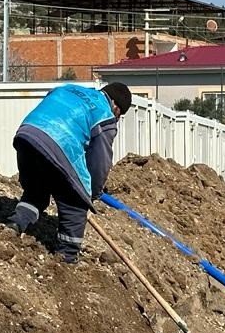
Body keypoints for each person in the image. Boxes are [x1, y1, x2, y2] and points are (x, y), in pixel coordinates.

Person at [7, 82, 132, 263]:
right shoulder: (105, 115)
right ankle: (66, 258)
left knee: (36, 191)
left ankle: (14, 224)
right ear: (115, 106)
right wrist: (90, 195)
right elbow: (100, 162)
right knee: (75, 204)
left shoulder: (68, 88)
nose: (117, 119)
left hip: (28, 136)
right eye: (119, 115)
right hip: (59, 143)